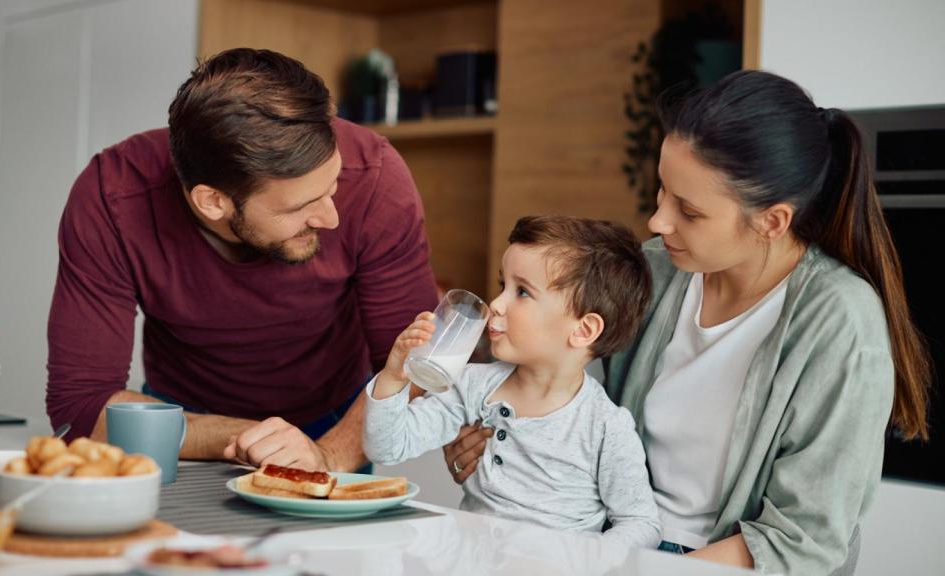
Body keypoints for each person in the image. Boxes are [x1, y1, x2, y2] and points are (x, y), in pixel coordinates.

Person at [443, 70, 930, 575]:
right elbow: (569, 407)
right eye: (662, 192)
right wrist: (494, 446)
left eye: (689, 211)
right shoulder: (656, 271)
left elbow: (803, 539)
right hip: (616, 544)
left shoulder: (840, 324)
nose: (657, 222)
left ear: (772, 221)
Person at [46, 48, 438, 472]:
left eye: (332, 185)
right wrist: (254, 439)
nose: (331, 218)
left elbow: (414, 367)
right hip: (182, 427)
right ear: (212, 202)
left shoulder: (376, 177)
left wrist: (325, 456)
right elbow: (82, 407)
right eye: (300, 206)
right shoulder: (113, 196)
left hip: (341, 421)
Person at [365, 216, 661, 547]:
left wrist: (585, 561)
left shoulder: (605, 426)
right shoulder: (473, 386)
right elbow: (387, 447)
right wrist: (393, 377)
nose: (496, 304)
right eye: (501, 285)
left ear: (583, 330)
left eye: (522, 292)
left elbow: (641, 523)